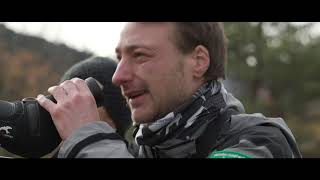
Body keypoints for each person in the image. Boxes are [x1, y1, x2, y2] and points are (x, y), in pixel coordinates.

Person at [37, 22, 302, 158]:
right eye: (119, 58)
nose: (118, 76)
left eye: (139, 55)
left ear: (198, 61)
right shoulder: (139, 150)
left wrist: (87, 139)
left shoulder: (261, 140)